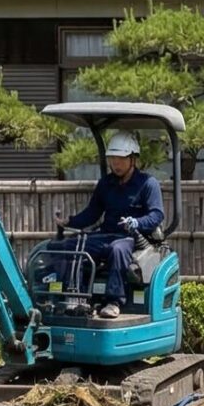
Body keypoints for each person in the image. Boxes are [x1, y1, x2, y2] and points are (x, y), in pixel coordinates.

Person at [58, 132, 164, 318]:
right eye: (112, 159)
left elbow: (157, 215)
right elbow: (92, 213)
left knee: (118, 249)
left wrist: (136, 222)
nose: (115, 163)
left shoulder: (148, 183)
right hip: (106, 234)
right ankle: (76, 298)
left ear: (133, 159)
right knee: (71, 246)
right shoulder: (105, 184)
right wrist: (70, 221)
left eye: (121, 159)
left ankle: (113, 302)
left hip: (131, 238)